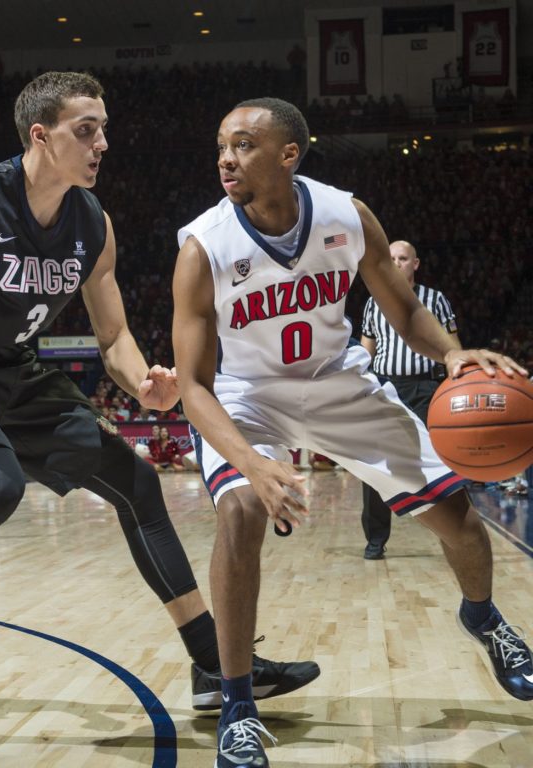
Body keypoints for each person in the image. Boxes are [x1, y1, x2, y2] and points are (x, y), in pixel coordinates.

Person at [0, 72, 319, 748]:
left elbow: (113, 338)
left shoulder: (93, 224)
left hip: (15, 374)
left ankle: (213, 666)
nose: (102, 143)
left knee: (138, 484)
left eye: (104, 129)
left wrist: (143, 384)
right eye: (86, 130)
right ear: (41, 136)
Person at [171, 96, 533, 767]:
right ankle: (238, 705)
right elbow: (193, 384)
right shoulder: (204, 248)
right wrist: (251, 461)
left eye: (244, 144)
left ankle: (484, 616)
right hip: (251, 399)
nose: (226, 158)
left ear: (289, 154)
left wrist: (451, 353)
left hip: (341, 383)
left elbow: (402, 309)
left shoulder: (344, 214)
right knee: (242, 513)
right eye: (222, 144)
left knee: (457, 517)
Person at [360, 240, 459, 559]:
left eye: (403, 258)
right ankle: (376, 538)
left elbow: (452, 348)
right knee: (375, 466)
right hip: (385, 388)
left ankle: (453, 532)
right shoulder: (373, 302)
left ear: (415, 264)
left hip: (426, 390)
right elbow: (366, 350)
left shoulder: (436, 300)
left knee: (440, 463)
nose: (397, 262)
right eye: (391, 258)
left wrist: (455, 386)